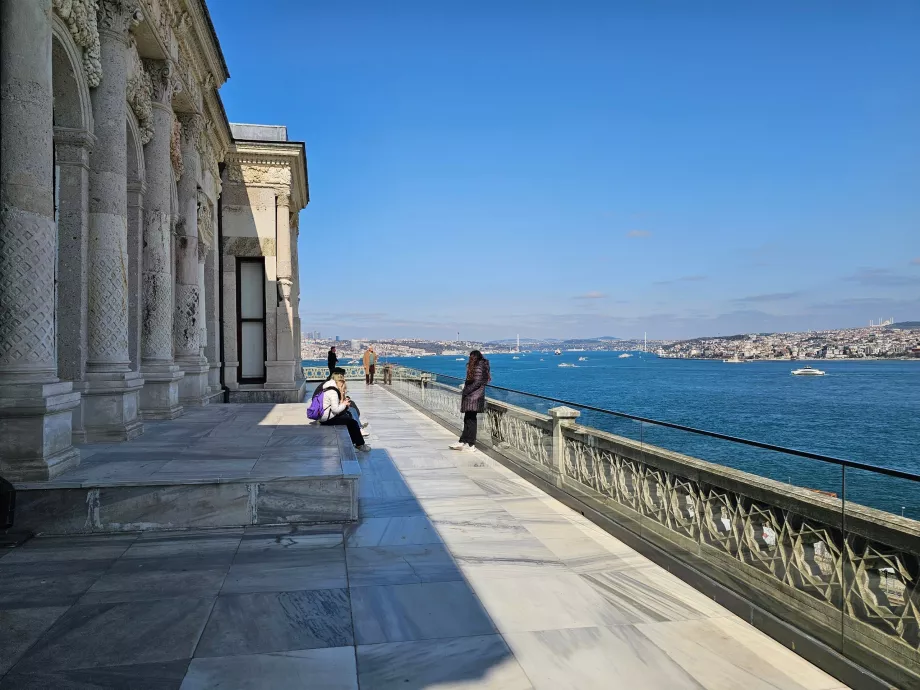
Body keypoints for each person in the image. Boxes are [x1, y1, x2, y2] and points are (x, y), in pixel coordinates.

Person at [318, 372, 371, 451]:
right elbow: (335, 410)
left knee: (348, 417)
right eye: (342, 382)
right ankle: (360, 445)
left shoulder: (328, 388)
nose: (343, 384)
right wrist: (344, 404)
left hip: (325, 416)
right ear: (338, 381)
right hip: (327, 419)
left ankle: (354, 442)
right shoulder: (333, 392)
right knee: (352, 422)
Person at [450, 350, 490, 451]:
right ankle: (463, 441)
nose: (469, 359)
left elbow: (477, 382)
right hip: (474, 397)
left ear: (474, 357)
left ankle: (471, 444)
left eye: (470, 357)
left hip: (474, 397)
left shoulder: (478, 366)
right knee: (468, 419)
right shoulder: (481, 366)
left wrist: (466, 391)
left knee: (471, 420)